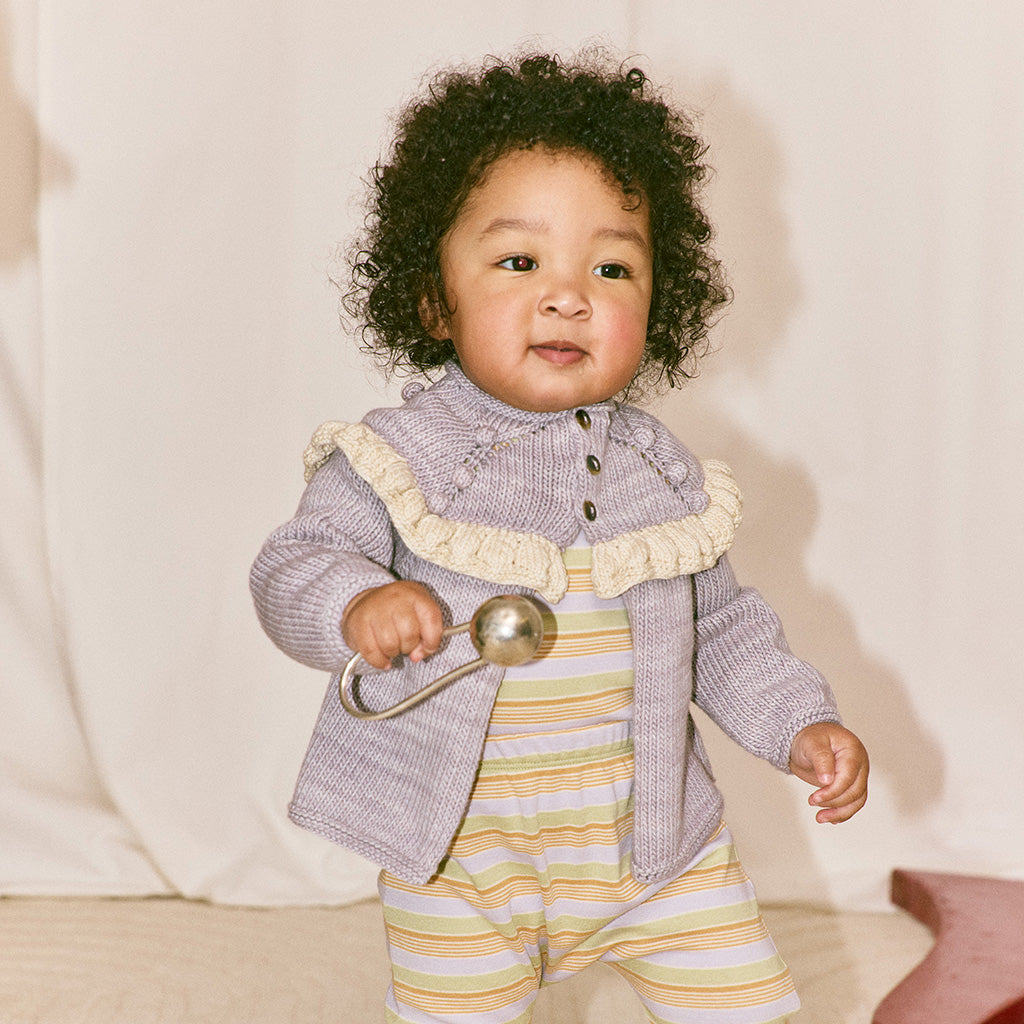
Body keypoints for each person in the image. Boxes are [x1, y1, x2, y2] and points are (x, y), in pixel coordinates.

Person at [250, 52, 869, 1024]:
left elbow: (724, 630)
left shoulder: (662, 473)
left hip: (658, 852)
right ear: (432, 298)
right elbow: (293, 566)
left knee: (748, 1007)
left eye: (611, 267)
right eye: (518, 262)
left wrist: (799, 722)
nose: (569, 295)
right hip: (463, 863)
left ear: (659, 301)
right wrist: (355, 601)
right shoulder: (396, 458)